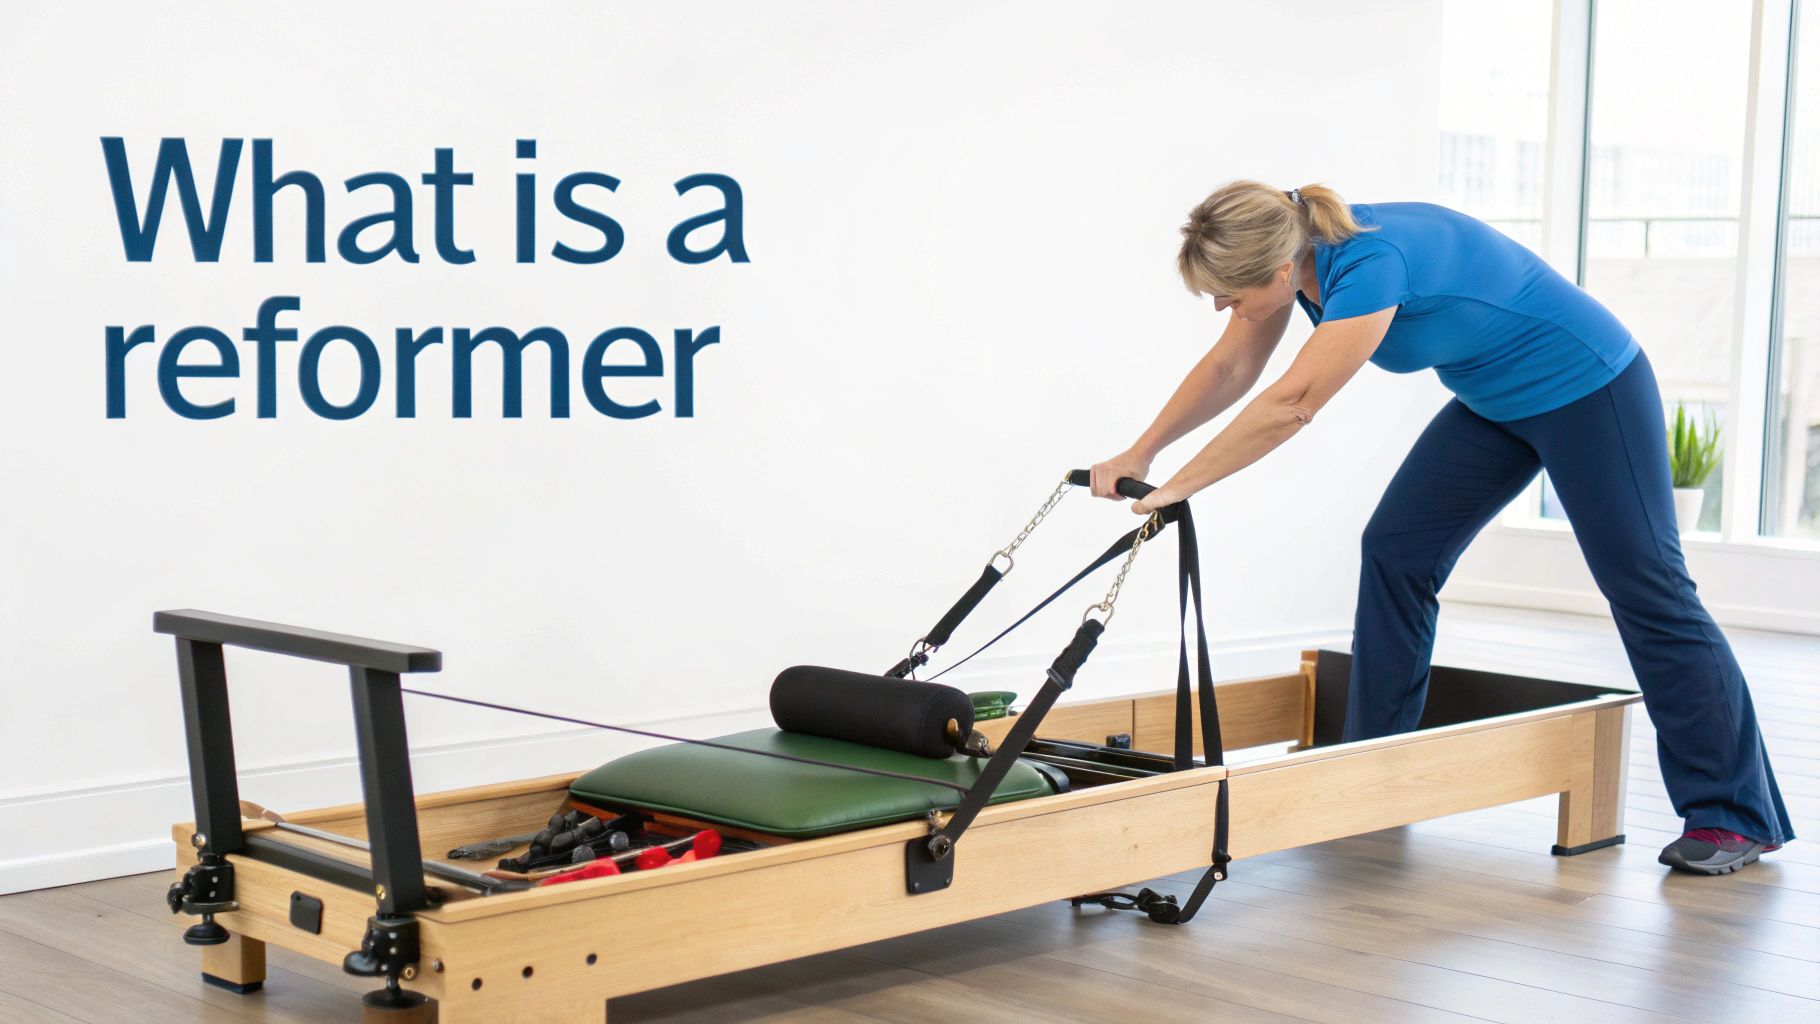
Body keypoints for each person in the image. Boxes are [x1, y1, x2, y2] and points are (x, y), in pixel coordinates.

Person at [1090, 181, 1793, 875]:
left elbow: (1294, 402)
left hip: (1589, 385)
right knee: (1397, 551)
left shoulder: (1372, 265)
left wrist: (1183, 485)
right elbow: (1230, 364)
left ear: (1276, 270)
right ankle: (1373, 769)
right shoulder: (1295, 252)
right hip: (1495, 400)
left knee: (1647, 586)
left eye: (1230, 295)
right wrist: (1142, 452)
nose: (1223, 308)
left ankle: (1732, 817)